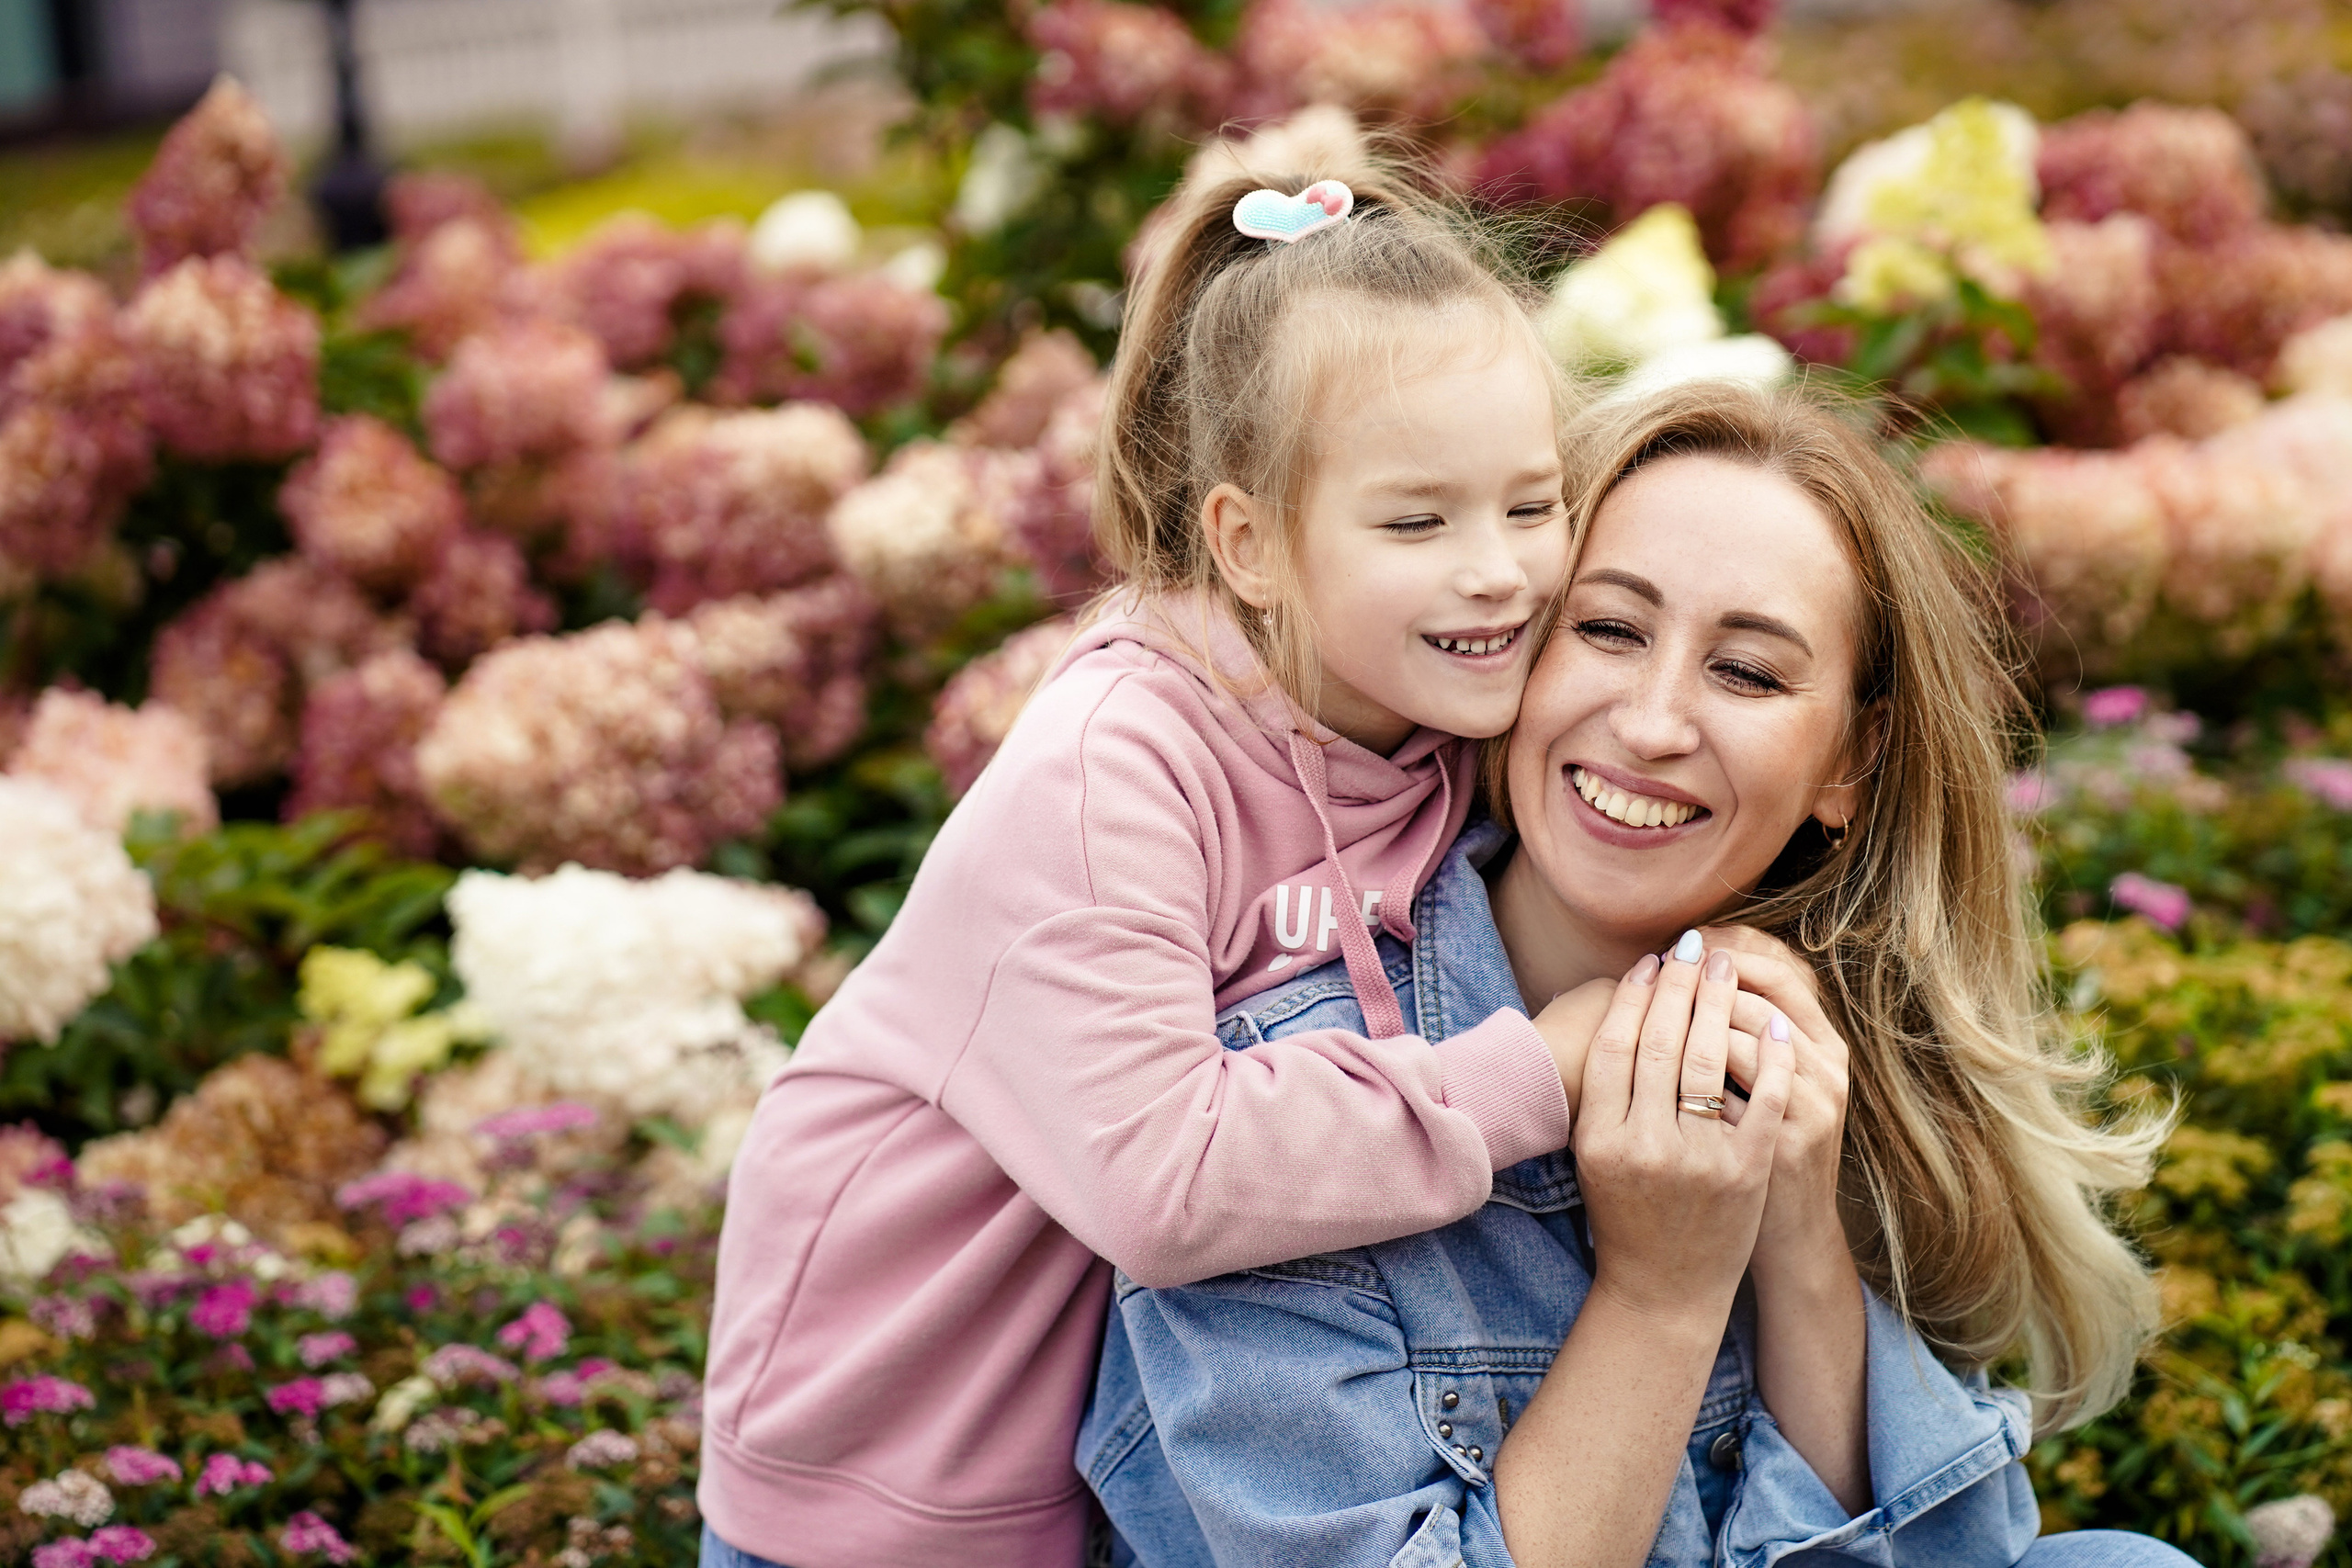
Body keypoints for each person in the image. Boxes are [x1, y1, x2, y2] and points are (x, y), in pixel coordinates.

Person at [699, 160, 1689, 1568]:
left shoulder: (1429, 709)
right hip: (893, 1456)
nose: (1500, 573)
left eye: (1531, 508)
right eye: (1418, 521)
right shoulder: (1114, 767)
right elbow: (1164, 1181)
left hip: (1134, 1451)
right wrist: (1546, 1065)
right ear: (1250, 543)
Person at [1085, 380, 2187, 1568]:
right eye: (1608, 630)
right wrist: (1662, 1294)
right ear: (1506, 652)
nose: (1654, 722)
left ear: (1849, 766)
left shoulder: (1807, 1043)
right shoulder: (1285, 1111)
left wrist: (1795, 1229)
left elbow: (1960, 1557)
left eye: (1749, 674)